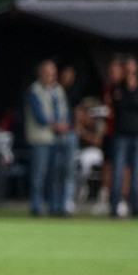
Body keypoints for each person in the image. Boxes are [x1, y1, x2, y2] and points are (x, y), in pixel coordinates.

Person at [24, 59, 69, 217]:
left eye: (53, 73)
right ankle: (36, 206)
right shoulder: (35, 90)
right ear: (41, 74)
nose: (51, 76)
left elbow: (64, 110)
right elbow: (40, 116)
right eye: (47, 73)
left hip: (56, 139)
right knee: (39, 174)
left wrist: (64, 124)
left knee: (55, 174)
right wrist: (57, 125)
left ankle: (55, 207)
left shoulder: (59, 91)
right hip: (41, 138)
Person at [109, 56, 138, 217]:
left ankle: (136, 206)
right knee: (118, 172)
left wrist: (134, 90)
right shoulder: (117, 89)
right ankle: (114, 206)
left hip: (137, 136)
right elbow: (120, 107)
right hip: (121, 136)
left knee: (136, 174)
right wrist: (130, 93)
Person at [93, 56, 124, 215]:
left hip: (122, 134)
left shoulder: (125, 88)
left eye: (114, 71)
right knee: (107, 165)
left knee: (122, 167)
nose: (111, 74)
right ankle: (104, 198)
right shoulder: (107, 87)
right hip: (109, 133)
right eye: (109, 71)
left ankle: (121, 200)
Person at [57, 64, 81, 213]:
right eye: (66, 74)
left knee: (69, 169)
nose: (68, 78)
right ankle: (55, 201)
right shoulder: (56, 91)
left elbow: (78, 112)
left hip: (70, 134)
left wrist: (75, 129)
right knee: (57, 169)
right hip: (56, 135)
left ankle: (67, 202)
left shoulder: (74, 92)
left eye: (71, 75)